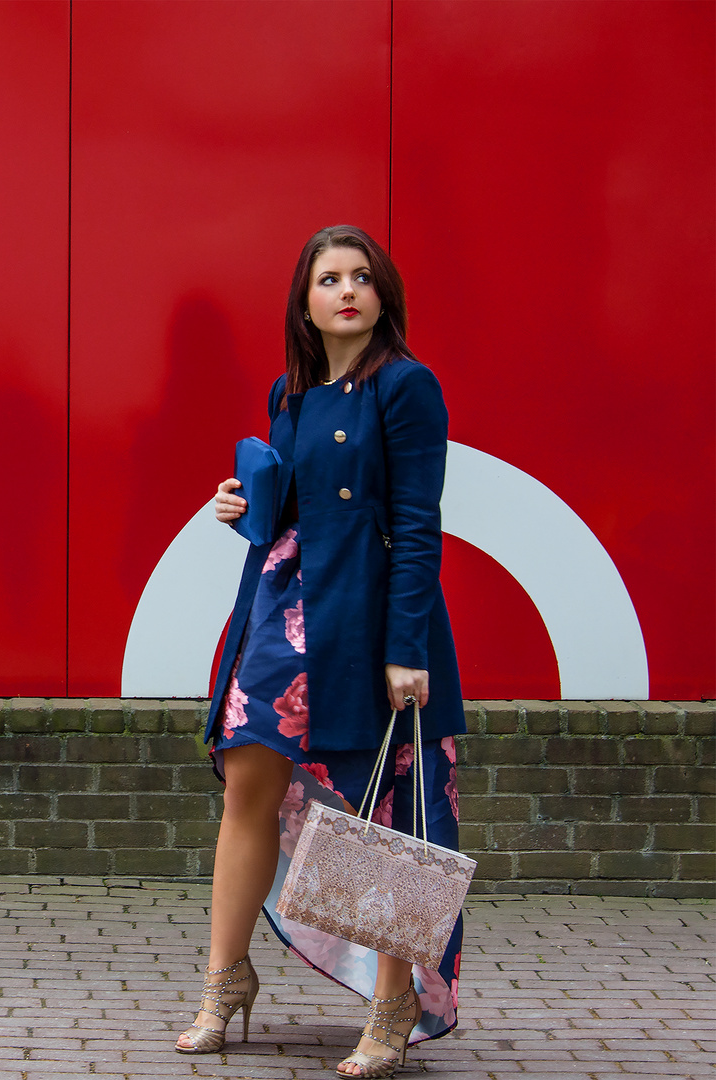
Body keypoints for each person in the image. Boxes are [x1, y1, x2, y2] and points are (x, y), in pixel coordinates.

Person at [184, 226, 466, 1077]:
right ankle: (224, 981)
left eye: (362, 277)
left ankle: (394, 1002)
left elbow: (418, 528)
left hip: (367, 622)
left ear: (384, 296)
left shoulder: (407, 388)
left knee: (381, 810)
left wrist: (405, 649)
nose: (346, 291)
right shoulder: (291, 392)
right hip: (279, 612)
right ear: (304, 300)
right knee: (248, 786)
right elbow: (293, 517)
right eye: (328, 278)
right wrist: (243, 506)